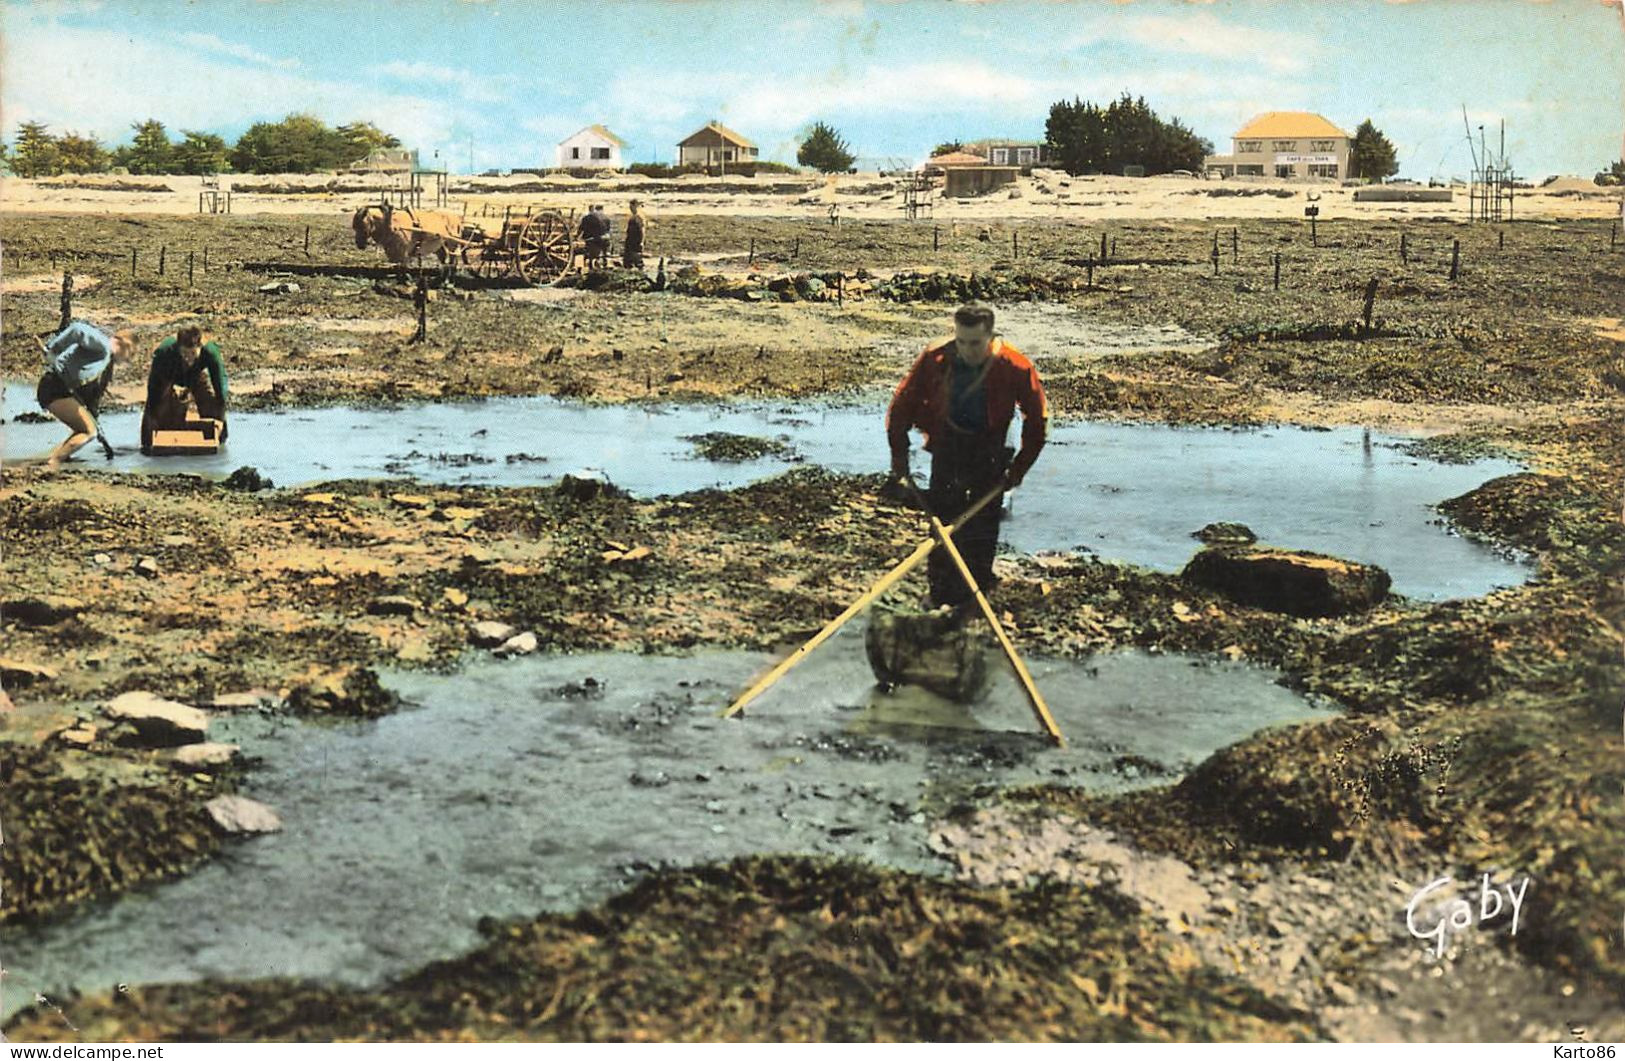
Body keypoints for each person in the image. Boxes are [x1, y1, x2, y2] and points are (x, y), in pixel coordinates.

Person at [885, 303, 1048, 612]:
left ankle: (977, 592)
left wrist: (1018, 470)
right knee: (943, 521)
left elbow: (1037, 423)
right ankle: (939, 596)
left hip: (990, 450)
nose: (966, 350)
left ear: (990, 337)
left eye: (974, 343)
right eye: (961, 341)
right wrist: (899, 459)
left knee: (983, 526)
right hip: (948, 444)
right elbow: (901, 407)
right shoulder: (936, 358)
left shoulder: (1015, 366)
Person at [35, 320, 133, 467]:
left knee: (88, 429)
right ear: (122, 345)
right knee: (88, 432)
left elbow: (93, 398)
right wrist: (53, 349)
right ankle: (53, 464)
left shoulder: (105, 365)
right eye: (129, 354)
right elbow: (78, 330)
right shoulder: (104, 346)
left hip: (61, 389)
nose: (127, 360)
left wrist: (95, 419)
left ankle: (54, 458)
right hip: (54, 386)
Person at [141, 324, 229, 454]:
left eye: (193, 353)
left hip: (197, 375)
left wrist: (221, 418)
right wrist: (150, 421)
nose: (189, 359)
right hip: (170, 374)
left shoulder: (210, 352)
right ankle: (149, 442)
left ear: (200, 347)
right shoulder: (164, 352)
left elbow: (220, 388)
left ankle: (218, 441)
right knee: (157, 412)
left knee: (211, 401)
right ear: (178, 348)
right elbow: (153, 389)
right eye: (184, 353)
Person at [622, 199, 647, 268]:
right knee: (628, 259)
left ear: (635, 206)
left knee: (637, 258)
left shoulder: (639, 216)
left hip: (636, 240)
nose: (630, 209)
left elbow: (642, 229)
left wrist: (642, 241)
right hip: (631, 240)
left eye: (631, 207)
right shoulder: (634, 216)